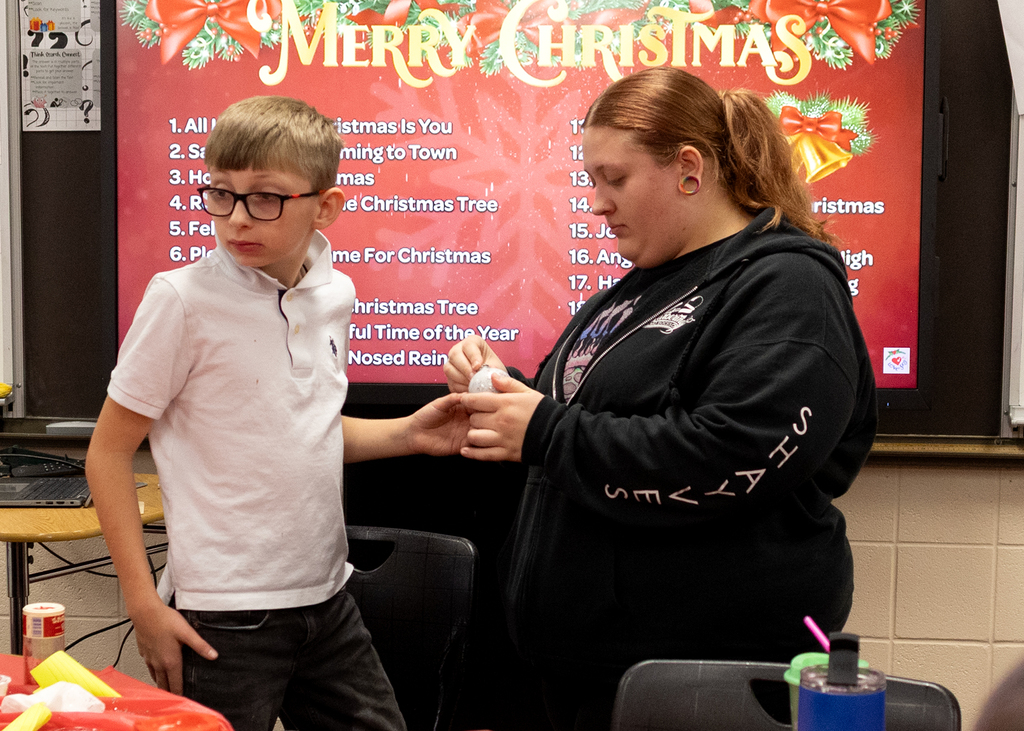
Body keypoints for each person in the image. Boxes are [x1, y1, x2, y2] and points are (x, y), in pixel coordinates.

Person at [445, 67, 877, 731]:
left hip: (700, 679)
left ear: (688, 168)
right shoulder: (639, 286)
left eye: (613, 179)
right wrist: (504, 396)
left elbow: (731, 454)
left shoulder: (787, 284)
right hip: (591, 670)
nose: (596, 202)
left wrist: (544, 430)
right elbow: (585, 418)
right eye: (592, 179)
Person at [86, 96, 468, 731]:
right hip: (224, 616)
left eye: (265, 197)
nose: (237, 218)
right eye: (221, 194)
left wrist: (409, 434)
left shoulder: (333, 292)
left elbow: (302, 428)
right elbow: (108, 450)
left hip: (326, 593)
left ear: (326, 206)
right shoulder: (180, 301)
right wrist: (143, 605)